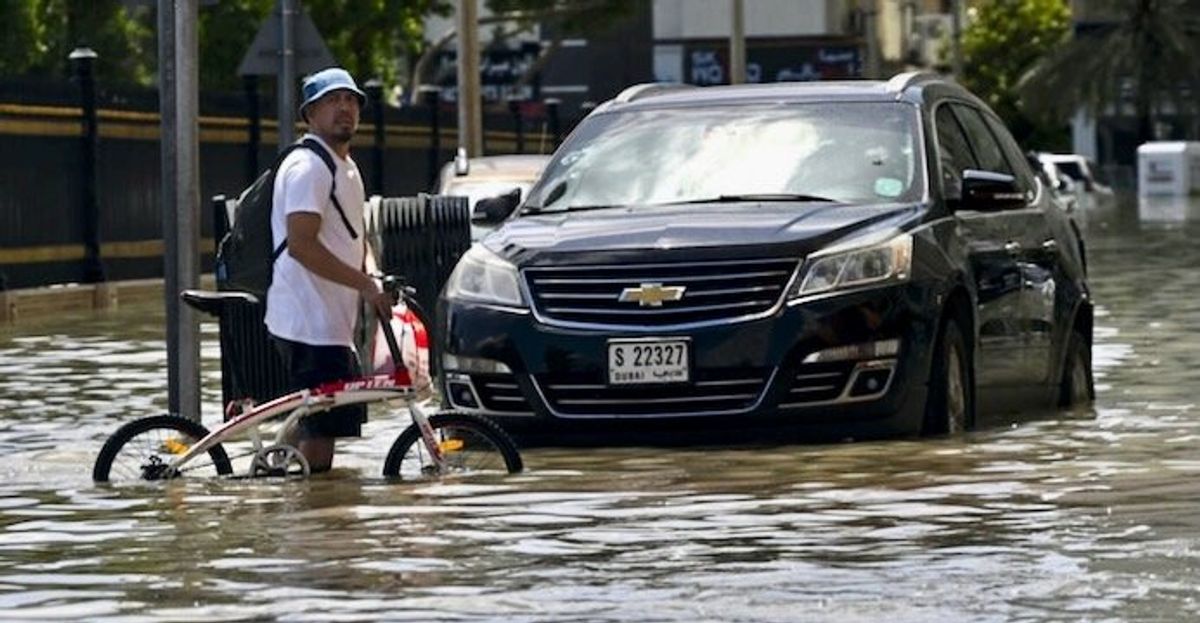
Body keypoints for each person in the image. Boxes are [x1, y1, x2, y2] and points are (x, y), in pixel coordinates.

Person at [265, 67, 391, 473]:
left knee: (318, 422)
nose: (345, 108)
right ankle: (315, 525)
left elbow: (356, 237)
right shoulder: (309, 168)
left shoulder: (346, 168)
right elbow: (302, 246)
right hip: (306, 320)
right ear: (310, 115)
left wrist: (373, 278)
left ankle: (272, 478)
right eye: (333, 101)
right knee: (321, 437)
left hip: (330, 323)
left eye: (352, 100)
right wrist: (365, 285)